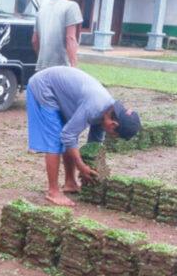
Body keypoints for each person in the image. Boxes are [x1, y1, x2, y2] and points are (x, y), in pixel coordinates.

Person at [27, 65, 141, 207]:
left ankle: (70, 183)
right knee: (56, 141)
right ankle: (53, 191)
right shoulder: (95, 107)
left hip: (60, 90)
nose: (110, 135)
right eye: (114, 134)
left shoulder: (106, 112)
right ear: (113, 124)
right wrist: (81, 166)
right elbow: (67, 136)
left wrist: (94, 165)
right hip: (44, 86)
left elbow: (94, 143)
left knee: (68, 137)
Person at [32, 0, 83, 70]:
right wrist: (74, 67)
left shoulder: (42, 9)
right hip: (62, 68)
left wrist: (43, 59)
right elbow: (70, 38)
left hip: (42, 68)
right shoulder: (71, 6)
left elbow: (34, 40)